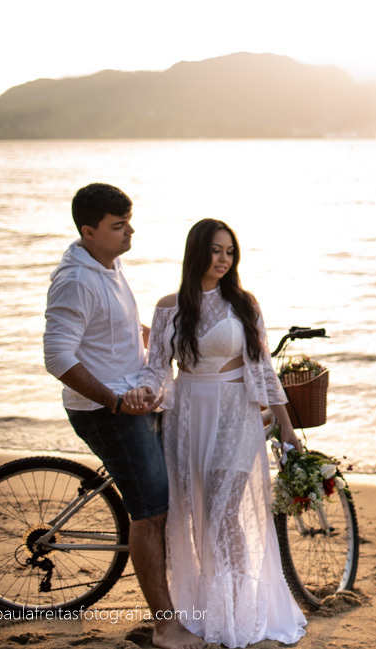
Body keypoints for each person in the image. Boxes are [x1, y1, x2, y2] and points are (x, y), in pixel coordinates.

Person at [130, 218, 307, 648]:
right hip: (187, 414)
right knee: (195, 513)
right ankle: (209, 607)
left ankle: (239, 609)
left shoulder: (244, 303)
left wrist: (286, 426)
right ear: (197, 253)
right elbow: (158, 368)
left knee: (223, 510)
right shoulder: (168, 306)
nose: (224, 259)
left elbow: (262, 367)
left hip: (234, 412)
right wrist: (143, 392)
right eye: (215, 250)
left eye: (229, 251)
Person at [44, 183, 204, 649]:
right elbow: (57, 357)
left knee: (162, 503)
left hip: (135, 398)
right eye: (118, 226)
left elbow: (114, 327)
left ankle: (176, 608)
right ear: (88, 231)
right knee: (150, 511)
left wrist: (165, 340)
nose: (129, 231)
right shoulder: (75, 279)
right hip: (109, 410)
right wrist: (114, 402)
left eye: (128, 221)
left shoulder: (108, 263)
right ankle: (164, 626)